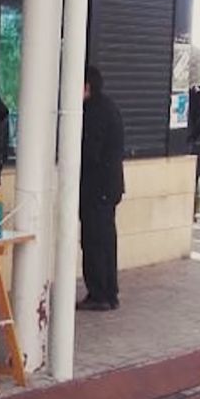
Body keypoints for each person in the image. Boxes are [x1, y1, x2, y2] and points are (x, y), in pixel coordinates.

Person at [78, 66, 125, 312]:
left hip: (97, 187)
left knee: (95, 241)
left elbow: (90, 152)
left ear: (86, 86)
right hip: (109, 186)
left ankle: (99, 293)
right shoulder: (109, 106)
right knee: (106, 240)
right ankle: (109, 291)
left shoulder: (94, 112)